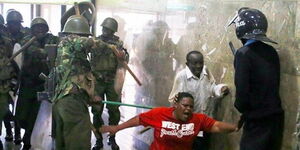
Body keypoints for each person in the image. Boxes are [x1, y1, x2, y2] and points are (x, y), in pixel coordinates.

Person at [228, 7, 284, 150]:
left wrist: (242, 110)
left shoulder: (243, 54)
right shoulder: (271, 51)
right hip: (276, 119)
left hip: (257, 121)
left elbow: (242, 94)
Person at [100, 92, 237, 150]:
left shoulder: (197, 119)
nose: (188, 110)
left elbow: (217, 126)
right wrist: (116, 128)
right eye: (185, 106)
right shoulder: (160, 113)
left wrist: (235, 127)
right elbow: (139, 120)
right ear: (175, 105)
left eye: (191, 107)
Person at [52, 15, 108, 150]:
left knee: (65, 143)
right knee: (79, 144)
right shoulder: (69, 41)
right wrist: (112, 47)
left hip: (65, 102)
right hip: (72, 103)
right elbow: (93, 44)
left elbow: (81, 80)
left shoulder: (75, 57)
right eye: (85, 36)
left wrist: (92, 96)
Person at [169, 50, 229, 150]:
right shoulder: (182, 77)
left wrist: (220, 89)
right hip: (189, 124)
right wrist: (176, 100)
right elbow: (174, 99)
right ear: (187, 64)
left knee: (204, 146)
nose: (199, 66)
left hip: (205, 121)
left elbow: (212, 88)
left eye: (201, 62)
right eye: (195, 63)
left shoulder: (205, 71)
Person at [15, 17, 59, 150]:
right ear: (32, 29)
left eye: (42, 27)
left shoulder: (52, 39)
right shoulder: (26, 40)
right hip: (27, 84)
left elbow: (59, 47)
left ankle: (28, 140)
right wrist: (46, 52)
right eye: (36, 27)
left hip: (43, 85)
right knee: (21, 116)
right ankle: (24, 134)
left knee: (35, 115)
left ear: (46, 29)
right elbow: (33, 51)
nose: (39, 29)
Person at [90, 17, 128, 150]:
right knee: (96, 110)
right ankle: (98, 139)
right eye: (104, 28)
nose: (105, 30)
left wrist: (123, 55)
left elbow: (124, 60)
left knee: (114, 110)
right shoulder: (95, 41)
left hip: (112, 82)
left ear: (113, 31)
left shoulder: (118, 43)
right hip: (98, 81)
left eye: (108, 29)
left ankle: (112, 137)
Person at [0, 24, 17, 149]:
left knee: (2, 110)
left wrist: (13, 82)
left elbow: (14, 63)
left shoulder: (7, 43)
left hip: (3, 86)